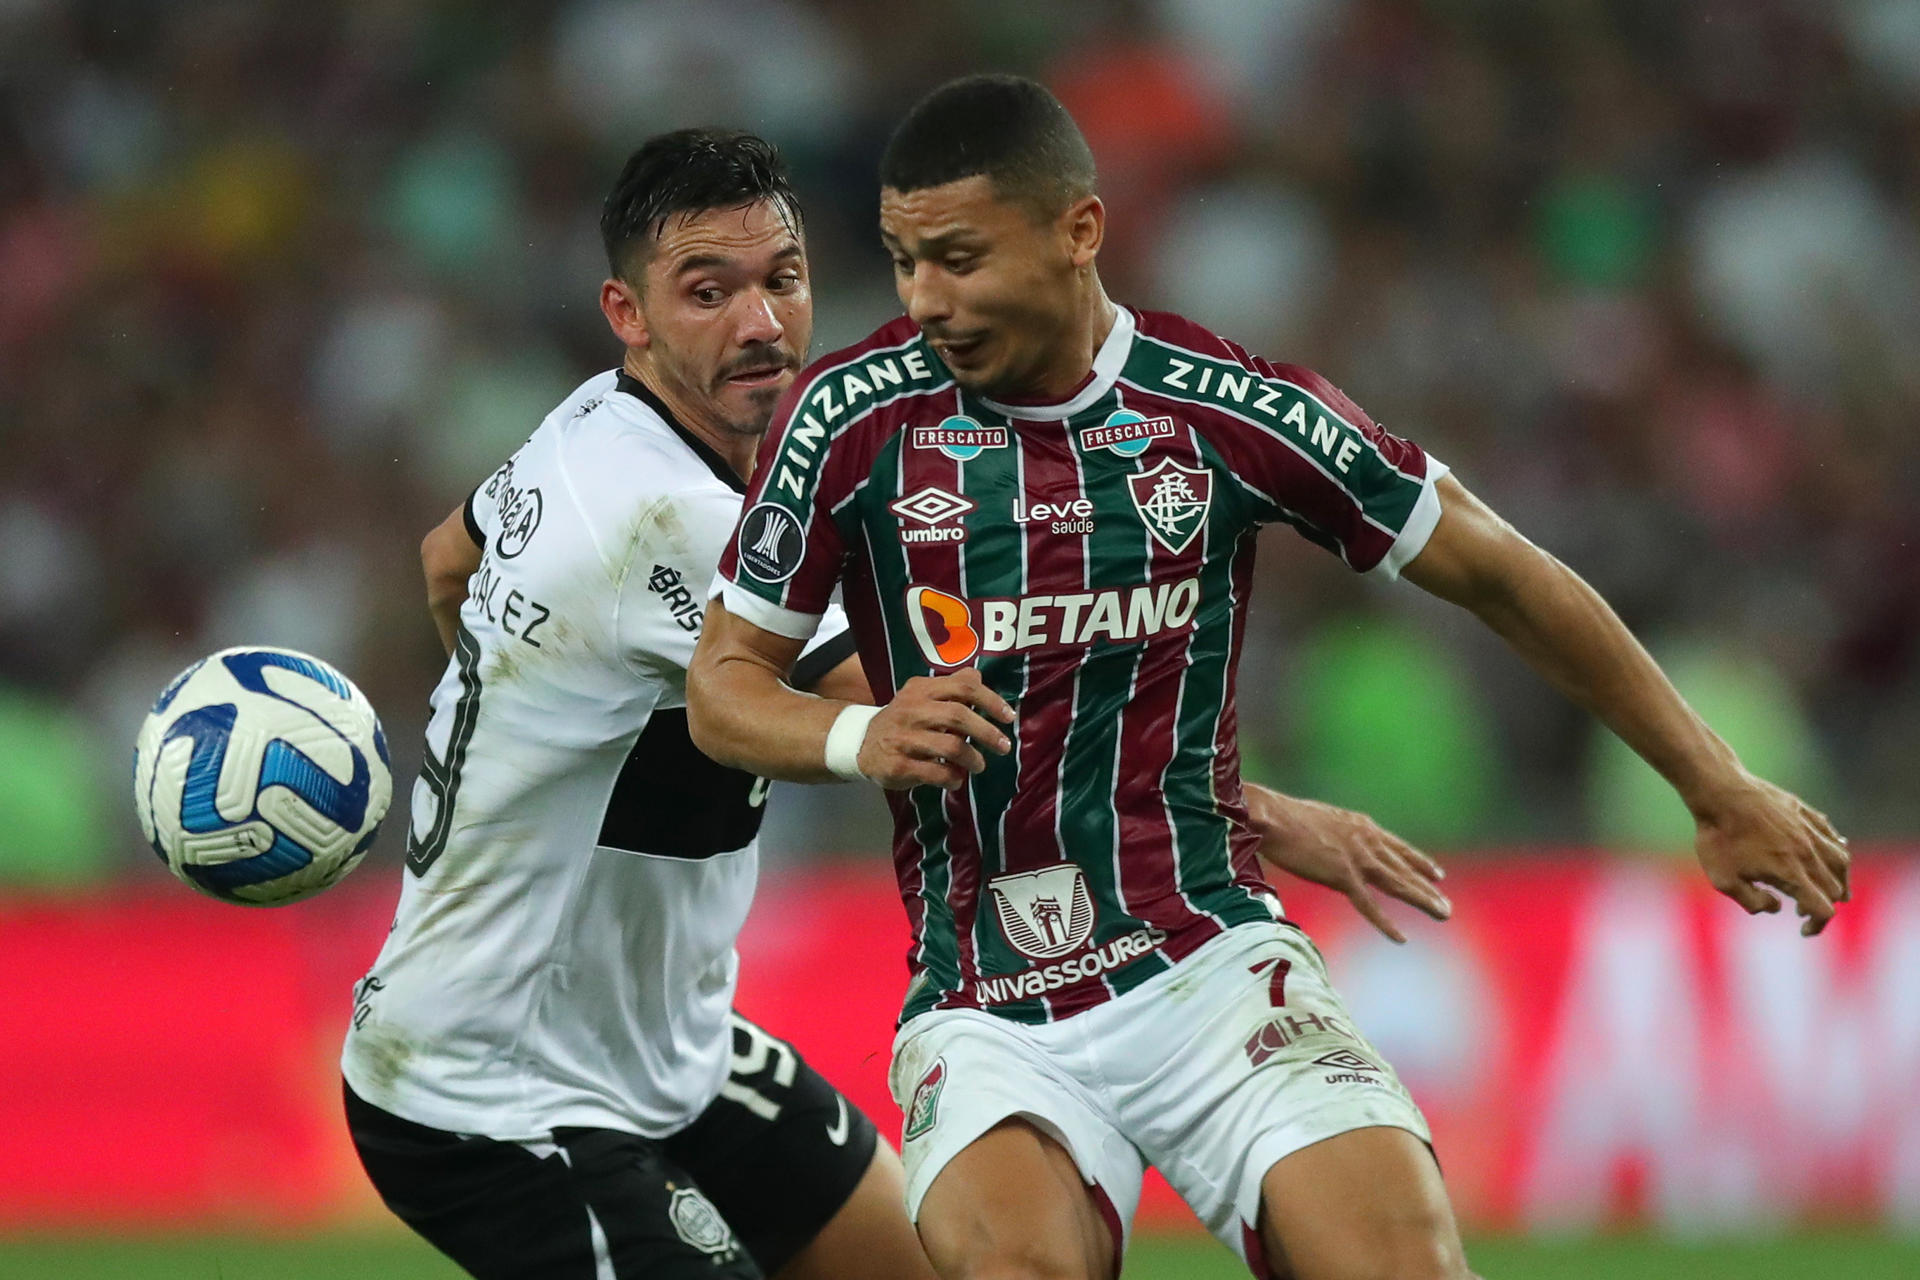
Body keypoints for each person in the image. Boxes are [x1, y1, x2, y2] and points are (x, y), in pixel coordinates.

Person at [685, 76, 1853, 1280]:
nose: (927, 298)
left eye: (961, 259)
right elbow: (723, 686)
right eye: (904, 260)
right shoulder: (853, 415)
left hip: (1209, 959)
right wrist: (858, 735)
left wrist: (1714, 783)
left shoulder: (1224, 408)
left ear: (1079, 230)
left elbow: (1500, 569)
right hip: (985, 999)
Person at [339, 125, 1440, 1280]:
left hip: (671, 1049)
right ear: (630, 311)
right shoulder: (668, 519)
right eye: (706, 291)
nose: (759, 323)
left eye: (781, 279)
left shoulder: (586, 425)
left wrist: (533, 717)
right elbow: (980, 739)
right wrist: (1260, 813)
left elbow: (443, 563)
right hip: (490, 1085)